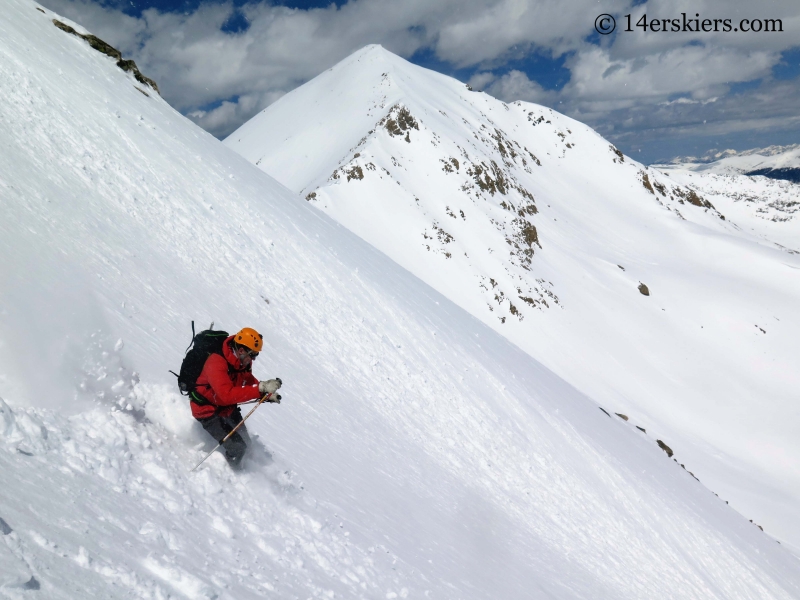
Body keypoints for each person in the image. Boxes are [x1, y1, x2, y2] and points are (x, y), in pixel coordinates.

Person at [190, 327, 282, 468]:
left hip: (226, 407)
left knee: (247, 443)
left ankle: (243, 466)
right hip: (207, 411)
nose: (254, 359)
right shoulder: (216, 362)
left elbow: (246, 379)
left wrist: (266, 394)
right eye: (253, 355)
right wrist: (260, 389)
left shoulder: (243, 361)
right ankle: (234, 477)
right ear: (241, 351)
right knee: (238, 448)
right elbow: (226, 395)